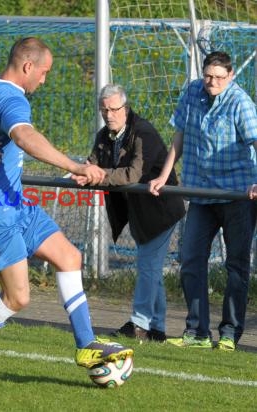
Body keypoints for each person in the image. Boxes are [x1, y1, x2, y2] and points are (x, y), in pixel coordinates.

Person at [0, 37, 133, 383]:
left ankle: (86, 345)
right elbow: (24, 137)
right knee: (18, 297)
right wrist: (77, 166)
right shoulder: (11, 98)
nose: (45, 79)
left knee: (69, 257)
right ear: (27, 67)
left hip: (15, 202)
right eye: (44, 72)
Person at [150, 51, 257, 352]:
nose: (212, 82)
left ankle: (229, 332)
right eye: (209, 76)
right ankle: (196, 331)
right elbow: (179, 137)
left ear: (231, 76)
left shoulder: (241, 103)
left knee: (236, 265)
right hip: (201, 194)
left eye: (219, 77)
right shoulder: (193, 91)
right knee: (190, 261)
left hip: (237, 196)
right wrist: (164, 175)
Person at [85, 83, 185, 342]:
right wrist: (79, 170)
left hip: (161, 211)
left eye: (114, 109)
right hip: (137, 213)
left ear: (125, 109)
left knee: (148, 266)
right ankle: (158, 329)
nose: (108, 115)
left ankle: (139, 324)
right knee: (152, 270)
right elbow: (91, 163)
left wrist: (97, 176)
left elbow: (132, 174)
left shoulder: (144, 132)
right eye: (104, 109)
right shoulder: (104, 136)